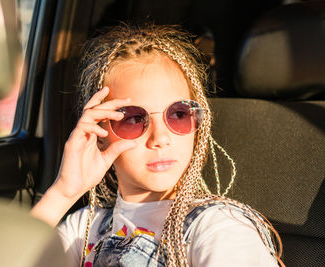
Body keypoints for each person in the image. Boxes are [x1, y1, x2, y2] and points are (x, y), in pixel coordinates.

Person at [31, 24, 284, 267]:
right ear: (100, 132)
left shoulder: (217, 228)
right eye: (132, 119)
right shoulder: (85, 229)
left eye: (178, 114)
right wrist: (63, 193)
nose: (160, 138)